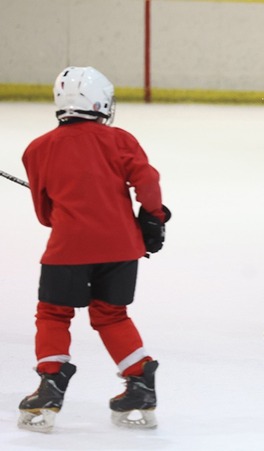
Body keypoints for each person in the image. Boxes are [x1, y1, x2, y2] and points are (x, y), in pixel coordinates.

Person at [18, 66, 169, 432]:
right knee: (111, 315)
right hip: (122, 248)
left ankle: (51, 385)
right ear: (100, 102)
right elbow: (147, 180)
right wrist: (153, 218)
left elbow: (44, 216)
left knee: (54, 314)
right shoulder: (119, 140)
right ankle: (139, 385)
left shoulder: (37, 150)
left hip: (67, 249)